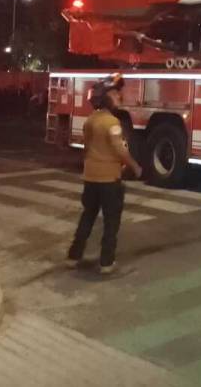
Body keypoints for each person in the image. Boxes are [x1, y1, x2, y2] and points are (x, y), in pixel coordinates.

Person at [67, 73, 142, 274]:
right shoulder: (112, 124)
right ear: (107, 97)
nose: (120, 97)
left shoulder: (90, 121)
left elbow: (86, 148)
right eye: (116, 94)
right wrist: (135, 166)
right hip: (109, 180)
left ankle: (74, 255)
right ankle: (106, 263)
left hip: (90, 178)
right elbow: (120, 150)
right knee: (111, 222)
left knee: (87, 216)